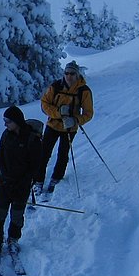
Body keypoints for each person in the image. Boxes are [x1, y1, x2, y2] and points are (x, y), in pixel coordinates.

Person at [0, 105, 42, 256]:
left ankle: (13, 239)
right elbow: (0, 154)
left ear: (17, 121)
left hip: (21, 185)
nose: (5, 124)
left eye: (8, 121)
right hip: (5, 182)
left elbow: (35, 165)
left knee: (17, 215)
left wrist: (24, 181)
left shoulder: (32, 139)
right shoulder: (6, 135)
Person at [34, 60, 94, 195]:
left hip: (69, 128)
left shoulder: (83, 91)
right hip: (53, 124)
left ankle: (56, 178)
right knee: (43, 154)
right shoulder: (56, 86)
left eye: (72, 73)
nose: (69, 76)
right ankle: (38, 181)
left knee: (63, 154)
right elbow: (44, 104)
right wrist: (58, 113)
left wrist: (75, 120)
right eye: (66, 73)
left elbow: (88, 113)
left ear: (77, 74)